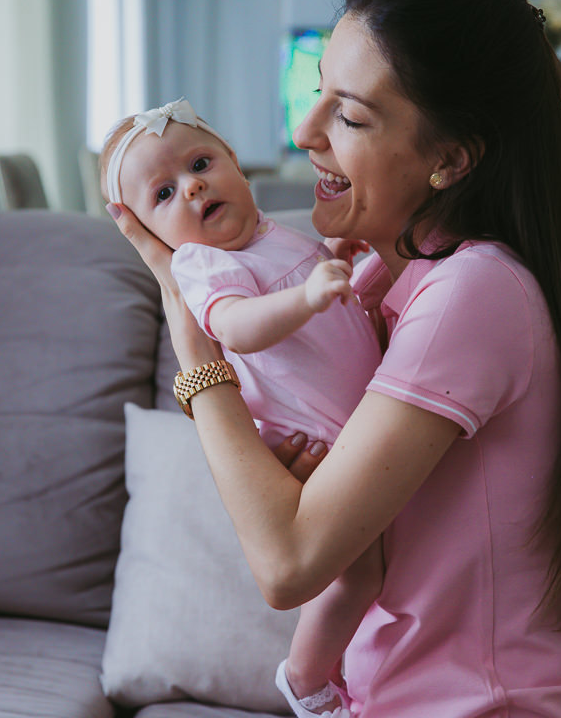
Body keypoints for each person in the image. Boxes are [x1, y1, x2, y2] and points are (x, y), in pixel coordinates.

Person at [106, 0, 561, 718]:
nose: (301, 131)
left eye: (348, 116)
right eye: (318, 92)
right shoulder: (385, 280)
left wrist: (194, 349)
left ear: (451, 159)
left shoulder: (471, 292)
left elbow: (287, 566)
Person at [99, 97, 383, 718]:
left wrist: (339, 261)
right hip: (317, 439)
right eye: (164, 194)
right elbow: (240, 327)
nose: (193, 186)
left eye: (201, 162)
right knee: (360, 575)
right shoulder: (203, 265)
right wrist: (309, 297)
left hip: (359, 423)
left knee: (384, 568)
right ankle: (305, 678)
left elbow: (326, 301)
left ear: (236, 162)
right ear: (149, 233)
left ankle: (363, 676)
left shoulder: (275, 233)